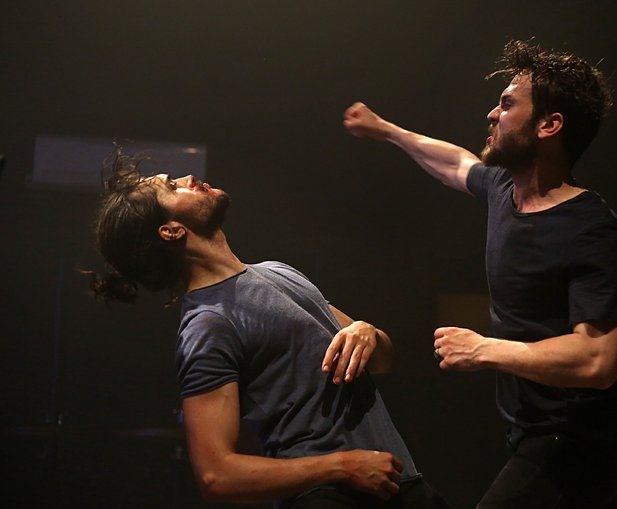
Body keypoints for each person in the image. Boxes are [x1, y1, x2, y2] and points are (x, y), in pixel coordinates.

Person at [343, 38, 617, 508]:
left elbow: (598, 360)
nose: (492, 114)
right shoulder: (504, 188)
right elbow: (454, 162)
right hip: (531, 430)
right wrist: (387, 131)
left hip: (577, 440)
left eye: (507, 104)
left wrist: (483, 349)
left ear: (549, 125)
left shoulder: (591, 229)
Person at [87, 152, 449, 509]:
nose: (187, 179)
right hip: (331, 498)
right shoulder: (207, 324)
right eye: (171, 186)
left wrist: (366, 331)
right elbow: (215, 475)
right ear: (171, 231)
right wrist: (342, 466)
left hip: (401, 485)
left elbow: (383, 360)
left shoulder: (278, 271)